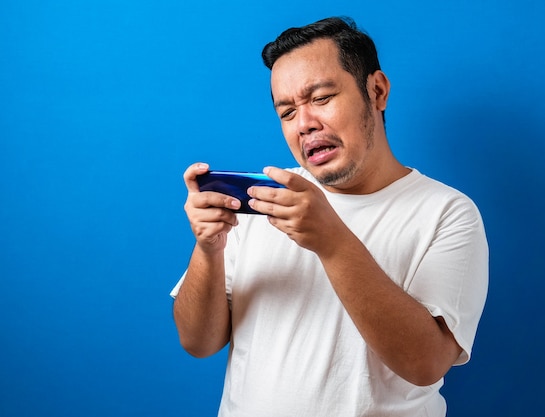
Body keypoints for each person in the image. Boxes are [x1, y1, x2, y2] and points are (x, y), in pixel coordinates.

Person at [170, 16, 488, 417]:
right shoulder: (263, 198)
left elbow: (425, 365)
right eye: (287, 112)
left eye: (321, 98)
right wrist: (208, 249)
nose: (304, 124)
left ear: (377, 90)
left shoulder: (447, 213)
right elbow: (197, 342)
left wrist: (332, 242)